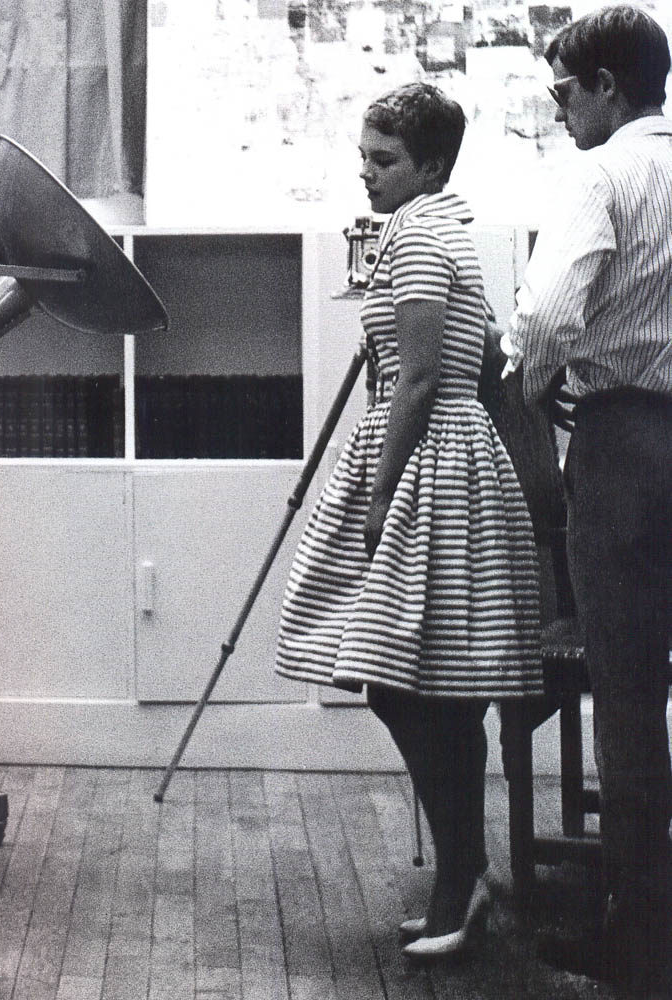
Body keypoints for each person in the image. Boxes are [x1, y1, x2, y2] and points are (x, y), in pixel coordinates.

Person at [276, 82, 542, 959]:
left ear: (430, 166)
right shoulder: (440, 228)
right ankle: (464, 877)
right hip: (445, 451)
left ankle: (462, 879)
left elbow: (422, 378)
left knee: (413, 684)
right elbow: (480, 353)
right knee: (421, 682)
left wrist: (383, 491)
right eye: (363, 156)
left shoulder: (421, 234)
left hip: (430, 459)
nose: (366, 172)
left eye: (383, 160)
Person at [506, 5, 672, 992]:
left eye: (563, 91)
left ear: (607, 85)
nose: (558, 109)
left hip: (626, 447)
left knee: (628, 691)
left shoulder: (601, 175)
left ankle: (641, 932)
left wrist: (534, 387)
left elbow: (545, 319)